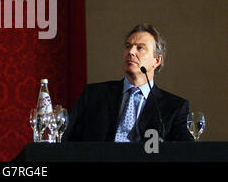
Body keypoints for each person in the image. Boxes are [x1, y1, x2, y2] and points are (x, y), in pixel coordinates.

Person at [63, 23, 193, 142]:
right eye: (128, 46)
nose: (130, 52)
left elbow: (184, 153)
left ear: (157, 60)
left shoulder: (174, 107)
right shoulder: (93, 95)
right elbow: (67, 140)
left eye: (140, 48)